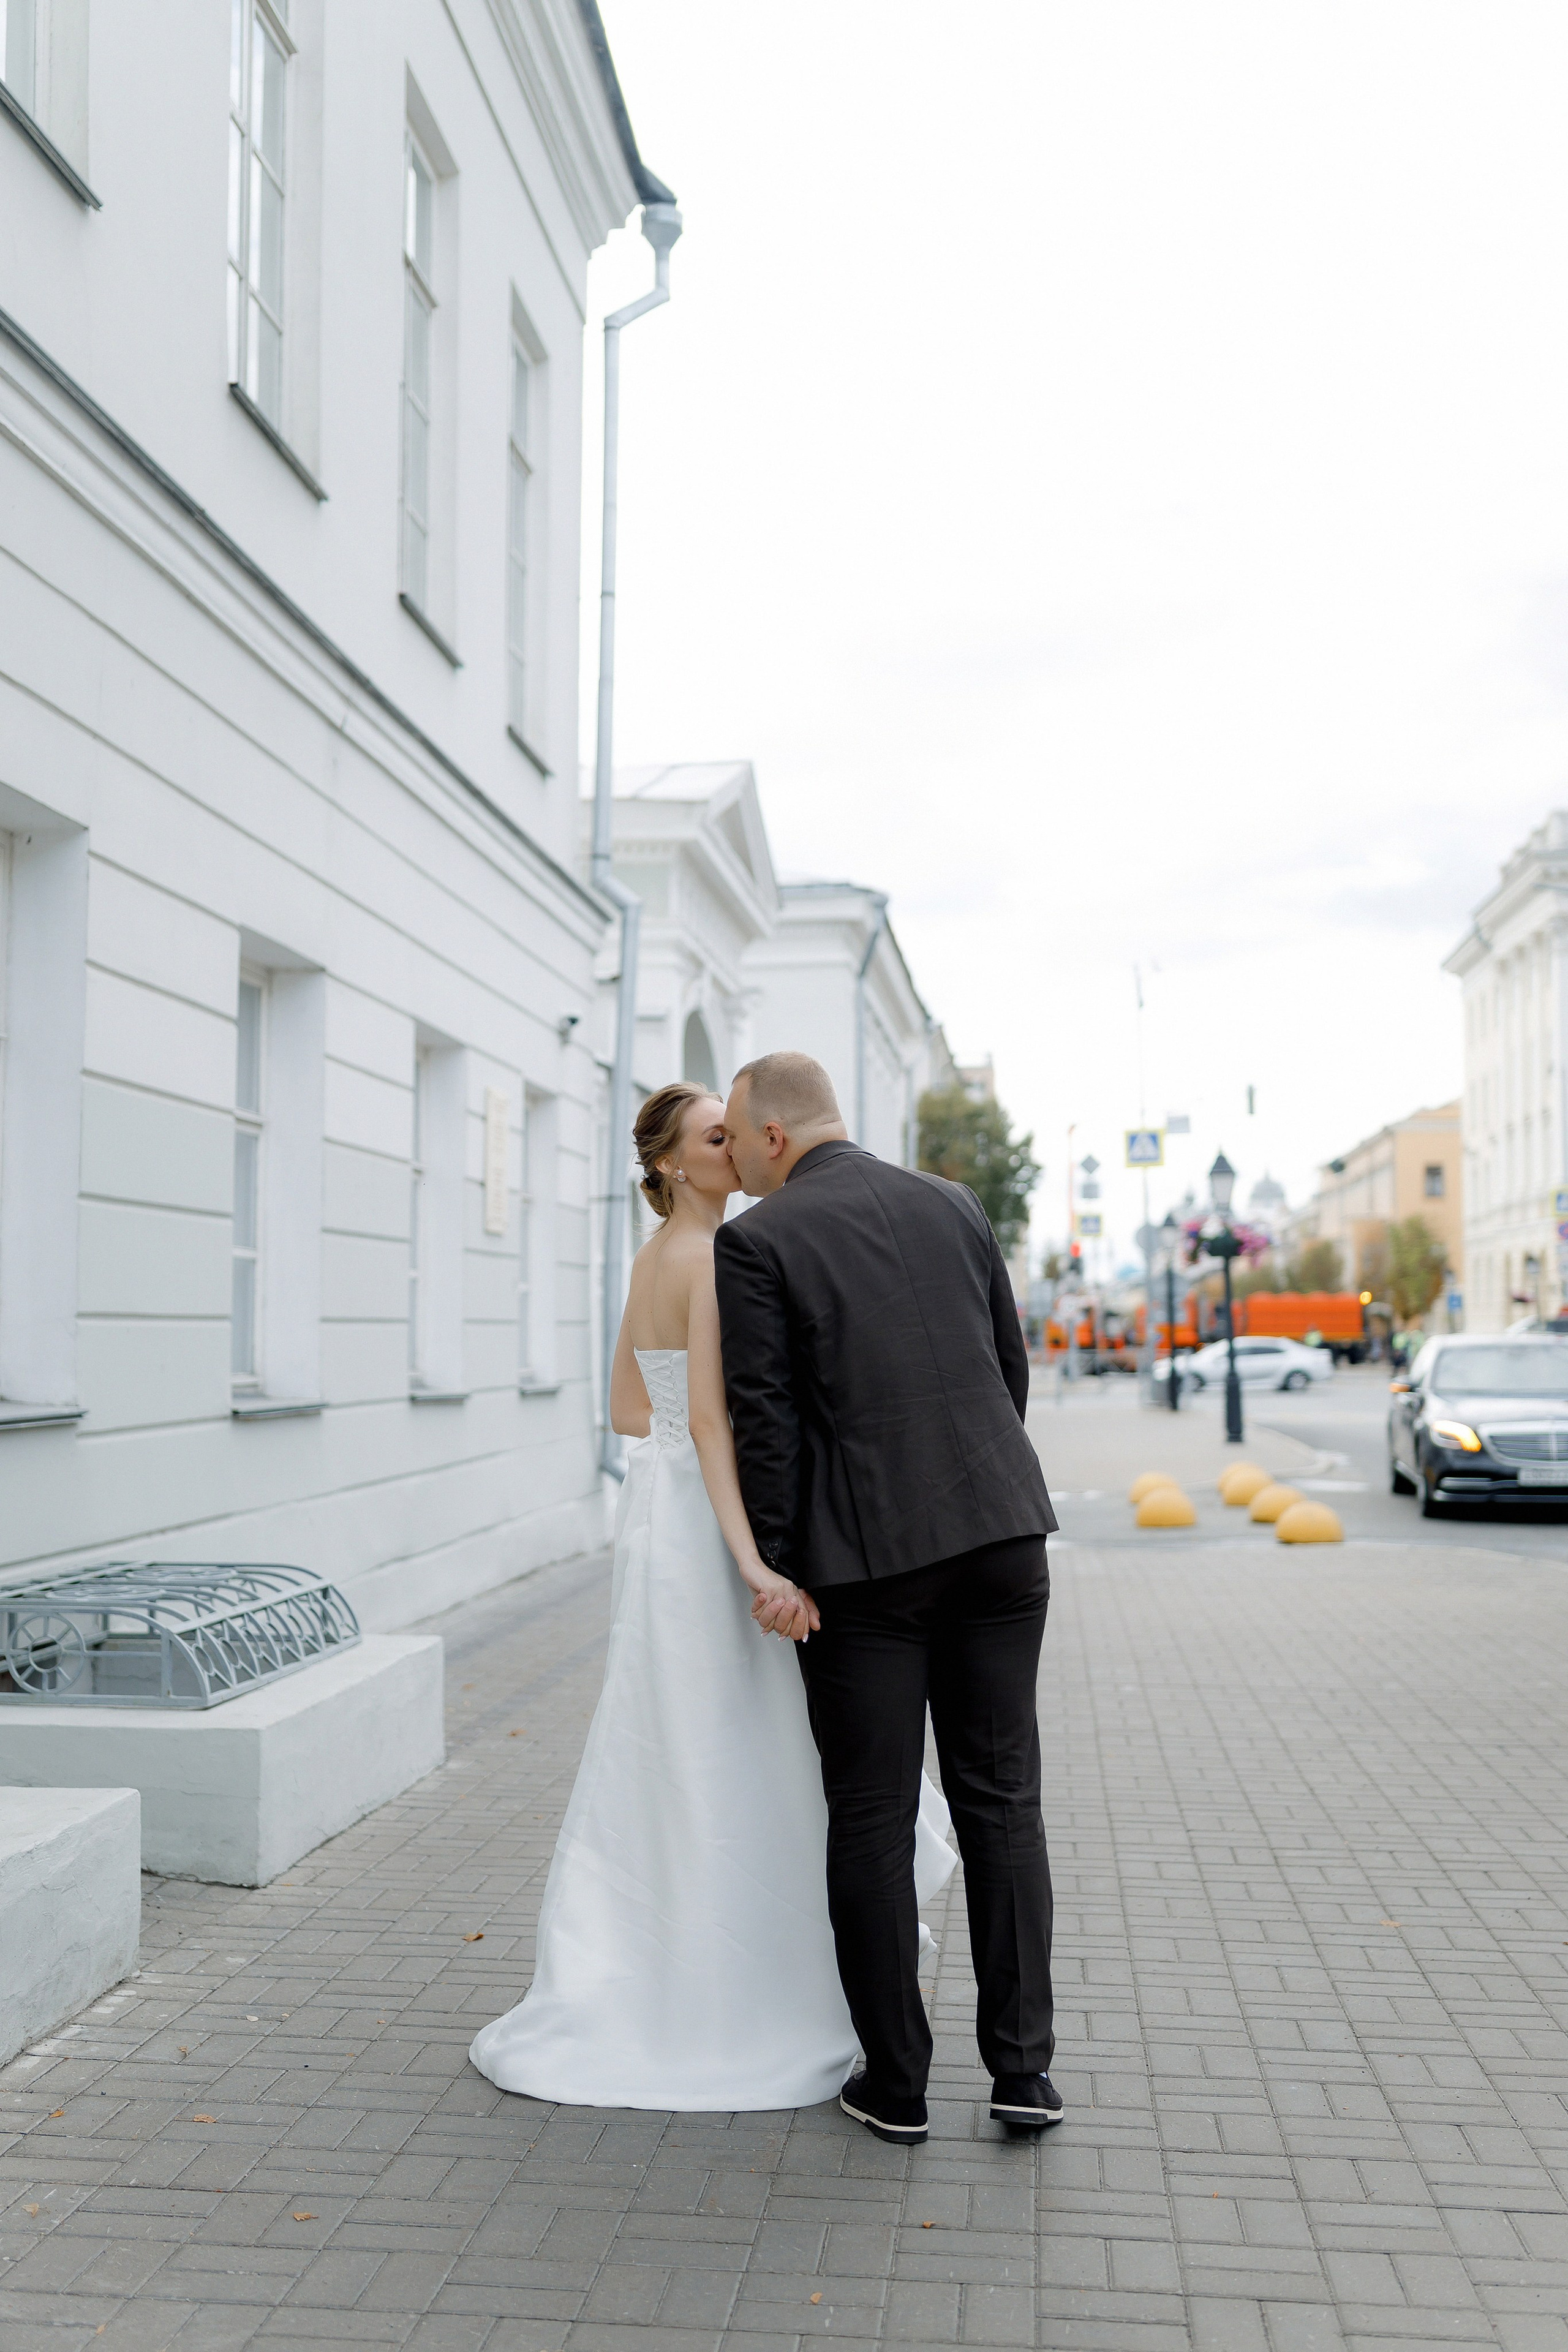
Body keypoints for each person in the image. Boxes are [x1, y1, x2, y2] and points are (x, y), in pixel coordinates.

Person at [469, 1080, 956, 2113]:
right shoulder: (715, 1257)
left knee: (677, 1737)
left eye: (733, 1133)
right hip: (716, 1526)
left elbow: (628, 1410)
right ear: (672, 1164)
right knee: (747, 1742)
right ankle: (753, 1988)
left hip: (663, 1525)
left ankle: (672, 1963)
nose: (735, 1149)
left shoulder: (654, 1257)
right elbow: (711, 1422)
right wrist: (756, 1559)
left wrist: (681, 1479)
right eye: (714, 1138)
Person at [717, 1052, 1061, 2146]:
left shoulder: (758, 1240)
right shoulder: (954, 1203)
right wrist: (975, 1485)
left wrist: (778, 1566)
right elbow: (1008, 1368)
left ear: (776, 1136)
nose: (737, 1159)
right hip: (1004, 1536)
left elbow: (766, 1421)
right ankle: (1023, 2076)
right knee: (1002, 1801)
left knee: (871, 1816)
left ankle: (898, 2086)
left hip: (868, 1566)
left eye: (739, 1137)